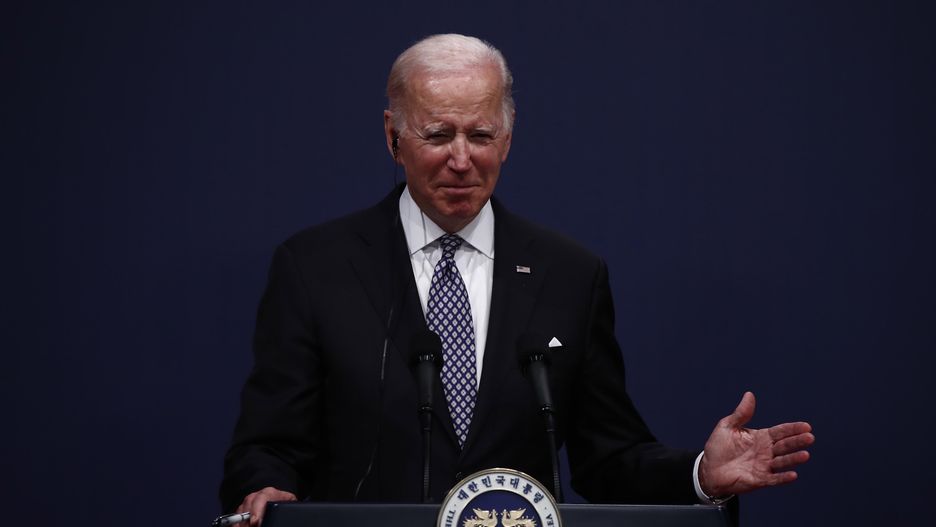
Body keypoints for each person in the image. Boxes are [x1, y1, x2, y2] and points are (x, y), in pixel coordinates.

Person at [220, 34, 814, 526]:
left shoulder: (570, 274)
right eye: (437, 135)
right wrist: (265, 489)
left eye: (480, 135)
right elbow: (267, 446)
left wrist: (699, 477)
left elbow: (608, 457)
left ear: (507, 138)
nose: (461, 158)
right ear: (391, 137)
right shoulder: (315, 266)